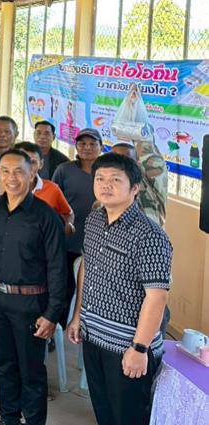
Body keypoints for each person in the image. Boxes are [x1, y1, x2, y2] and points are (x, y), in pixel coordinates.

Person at [67, 153, 172, 425]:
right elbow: (87, 267)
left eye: (115, 180)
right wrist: (78, 316)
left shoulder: (149, 235)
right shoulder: (93, 220)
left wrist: (139, 348)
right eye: (100, 178)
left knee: (129, 417)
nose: (105, 185)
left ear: (134, 188)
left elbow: (157, 297)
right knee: (103, 412)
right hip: (94, 336)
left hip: (127, 346)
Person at [0, 150, 68, 425]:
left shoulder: (46, 216)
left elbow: (58, 269)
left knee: (31, 372)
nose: (11, 178)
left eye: (19, 171)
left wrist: (52, 314)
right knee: (4, 365)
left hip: (31, 304)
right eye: (5, 171)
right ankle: (9, 418)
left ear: (32, 174)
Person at [52, 128, 101, 329]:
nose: (87, 148)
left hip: (98, 245)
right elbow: (53, 204)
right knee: (64, 289)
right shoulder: (64, 170)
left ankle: (89, 329)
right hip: (69, 242)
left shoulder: (106, 172)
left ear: (101, 147)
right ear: (76, 146)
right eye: (82, 144)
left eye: (92, 144)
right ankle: (57, 329)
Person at [13, 142, 75, 236]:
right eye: (22, 161)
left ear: (41, 164)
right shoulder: (0, 188)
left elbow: (68, 213)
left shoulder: (52, 189)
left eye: (33, 162)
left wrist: (68, 227)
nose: (28, 167)